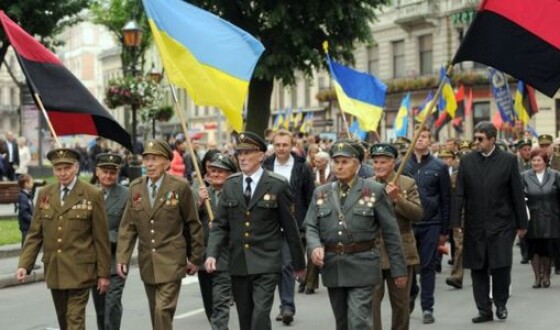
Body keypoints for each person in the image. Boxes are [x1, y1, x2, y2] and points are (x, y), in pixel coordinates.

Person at [205, 131, 306, 330]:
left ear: (261, 156)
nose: (242, 157)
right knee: (245, 317)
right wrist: (212, 254)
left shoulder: (277, 185)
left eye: (248, 152)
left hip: (267, 261)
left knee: (260, 315)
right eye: (239, 153)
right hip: (239, 262)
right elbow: (219, 225)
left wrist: (298, 263)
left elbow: (290, 226)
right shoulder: (231, 185)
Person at [304, 140, 407, 330]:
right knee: (342, 322)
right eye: (336, 162)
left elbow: (391, 232)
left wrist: (399, 270)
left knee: (359, 321)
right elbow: (310, 225)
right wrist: (315, 246)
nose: (339, 166)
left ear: (358, 165)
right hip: (334, 266)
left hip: (363, 265)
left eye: (345, 161)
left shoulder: (373, 191)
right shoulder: (321, 192)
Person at [16, 147, 111, 329]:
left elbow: (101, 238)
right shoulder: (45, 194)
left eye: (67, 168)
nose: (63, 173)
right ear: (53, 170)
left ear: (76, 168)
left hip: (81, 271)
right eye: (58, 169)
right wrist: (24, 264)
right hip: (55, 269)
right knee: (64, 321)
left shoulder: (92, 194)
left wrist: (103, 274)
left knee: (75, 320)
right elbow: (35, 234)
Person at [116, 140, 204, 330]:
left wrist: (195, 258)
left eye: (154, 159)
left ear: (166, 163)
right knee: (156, 311)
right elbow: (128, 226)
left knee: (162, 311)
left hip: (172, 260)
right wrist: (123, 256)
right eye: (146, 159)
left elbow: (193, 224)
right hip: (148, 261)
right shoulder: (135, 188)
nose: (149, 164)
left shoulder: (180, 187)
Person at [456, 121, 528, 323]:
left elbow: (516, 193)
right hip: (475, 225)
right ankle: (483, 309)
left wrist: (522, 224)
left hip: (503, 225)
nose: (476, 142)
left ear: (492, 140)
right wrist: (455, 223)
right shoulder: (467, 161)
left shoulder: (508, 160)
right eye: (475, 138)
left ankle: (501, 303)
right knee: (478, 268)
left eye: (480, 139)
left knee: (501, 266)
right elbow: (459, 194)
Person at [263, 129, 315, 325]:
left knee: (286, 264)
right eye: (277, 145)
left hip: (293, 225)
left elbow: (310, 197)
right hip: (269, 225)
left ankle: (287, 307)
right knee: (272, 267)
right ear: (273, 146)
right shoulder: (265, 166)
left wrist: (309, 224)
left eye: (285, 144)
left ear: (292, 145)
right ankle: (275, 306)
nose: (281, 148)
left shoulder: (302, 168)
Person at [370, 143, 422, 330]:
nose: (378, 166)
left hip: (400, 252)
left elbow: (417, 214)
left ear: (393, 163)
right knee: (371, 304)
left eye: (383, 162)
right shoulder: (366, 185)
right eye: (375, 162)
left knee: (401, 304)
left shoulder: (407, 183)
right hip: (373, 252)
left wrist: (398, 199)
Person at [402, 125, 451, 324]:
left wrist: (444, 230)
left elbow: (446, 199)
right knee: (409, 266)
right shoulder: (403, 165)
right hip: (409, 223)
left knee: (428, 266)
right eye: (417, 136)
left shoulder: (439, 167)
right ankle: (411, 293)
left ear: (430, 141)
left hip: (432, 223)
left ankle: (427, 307)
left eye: (424, 136)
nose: (420, 140)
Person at [196, 153, 236, 329]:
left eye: (221, 171)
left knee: (220, 304)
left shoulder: (237, 194)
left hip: (228, 255)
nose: (216, 174)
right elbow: (190, 224)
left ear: (230, 174)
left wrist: (222, 226)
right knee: (210, 306)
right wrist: (199, 204)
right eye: (212, 171)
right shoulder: (204, 194)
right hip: (205, 256)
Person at [91, 153, 129, 330]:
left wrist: (102, 236)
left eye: (112, 172)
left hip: (116, 261)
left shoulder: (126, 195)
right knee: (100, 310)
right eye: (105, 171)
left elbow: (127, 229)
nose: (108, 176)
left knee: (111, 307)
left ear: (118, 173)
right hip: (93, 262)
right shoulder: (86, 193)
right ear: (97, 172)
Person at [522, 149, 560, 288]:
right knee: (533, 248)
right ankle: (537, 277)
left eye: (539, 160)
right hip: (532, 217)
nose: (536, 163)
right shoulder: (525, 176)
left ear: (545, 162)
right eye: (533, 160)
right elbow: (520, 197)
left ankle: (546, 276)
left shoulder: (555, 176)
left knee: (547, 248)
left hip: (551, 217)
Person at [516, 138, 533, 264]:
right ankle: (524, 253)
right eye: (524, 150)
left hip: (532, 197)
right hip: (520, 198)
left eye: (529, 149)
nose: (527, 152)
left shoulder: (535, 161)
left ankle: (531, 251)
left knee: (532, 227)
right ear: (519, 151)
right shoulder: (515, 163)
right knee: (522, 224)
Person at [17, 174, 34, 246]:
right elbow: (24, 213)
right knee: (26, 245)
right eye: (31, 182)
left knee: (28, 245)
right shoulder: (23, 197)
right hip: (26, 226)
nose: (33, 184)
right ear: (26, 184)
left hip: (28, 225)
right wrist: (33, 220)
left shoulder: (27, 195)